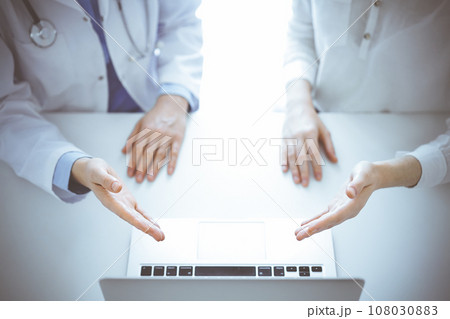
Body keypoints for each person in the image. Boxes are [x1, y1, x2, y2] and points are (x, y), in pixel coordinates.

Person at [0, 0, 203, 241]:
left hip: (148, 112)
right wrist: (73, 167)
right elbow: (5, 104)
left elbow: (180, 22)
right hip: (55, 133)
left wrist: (173, 99)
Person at [282, 0, 450, 240]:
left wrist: (384, 174)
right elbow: (301, 33)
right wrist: (298, 104)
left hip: (423, 164)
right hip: (324, 127)